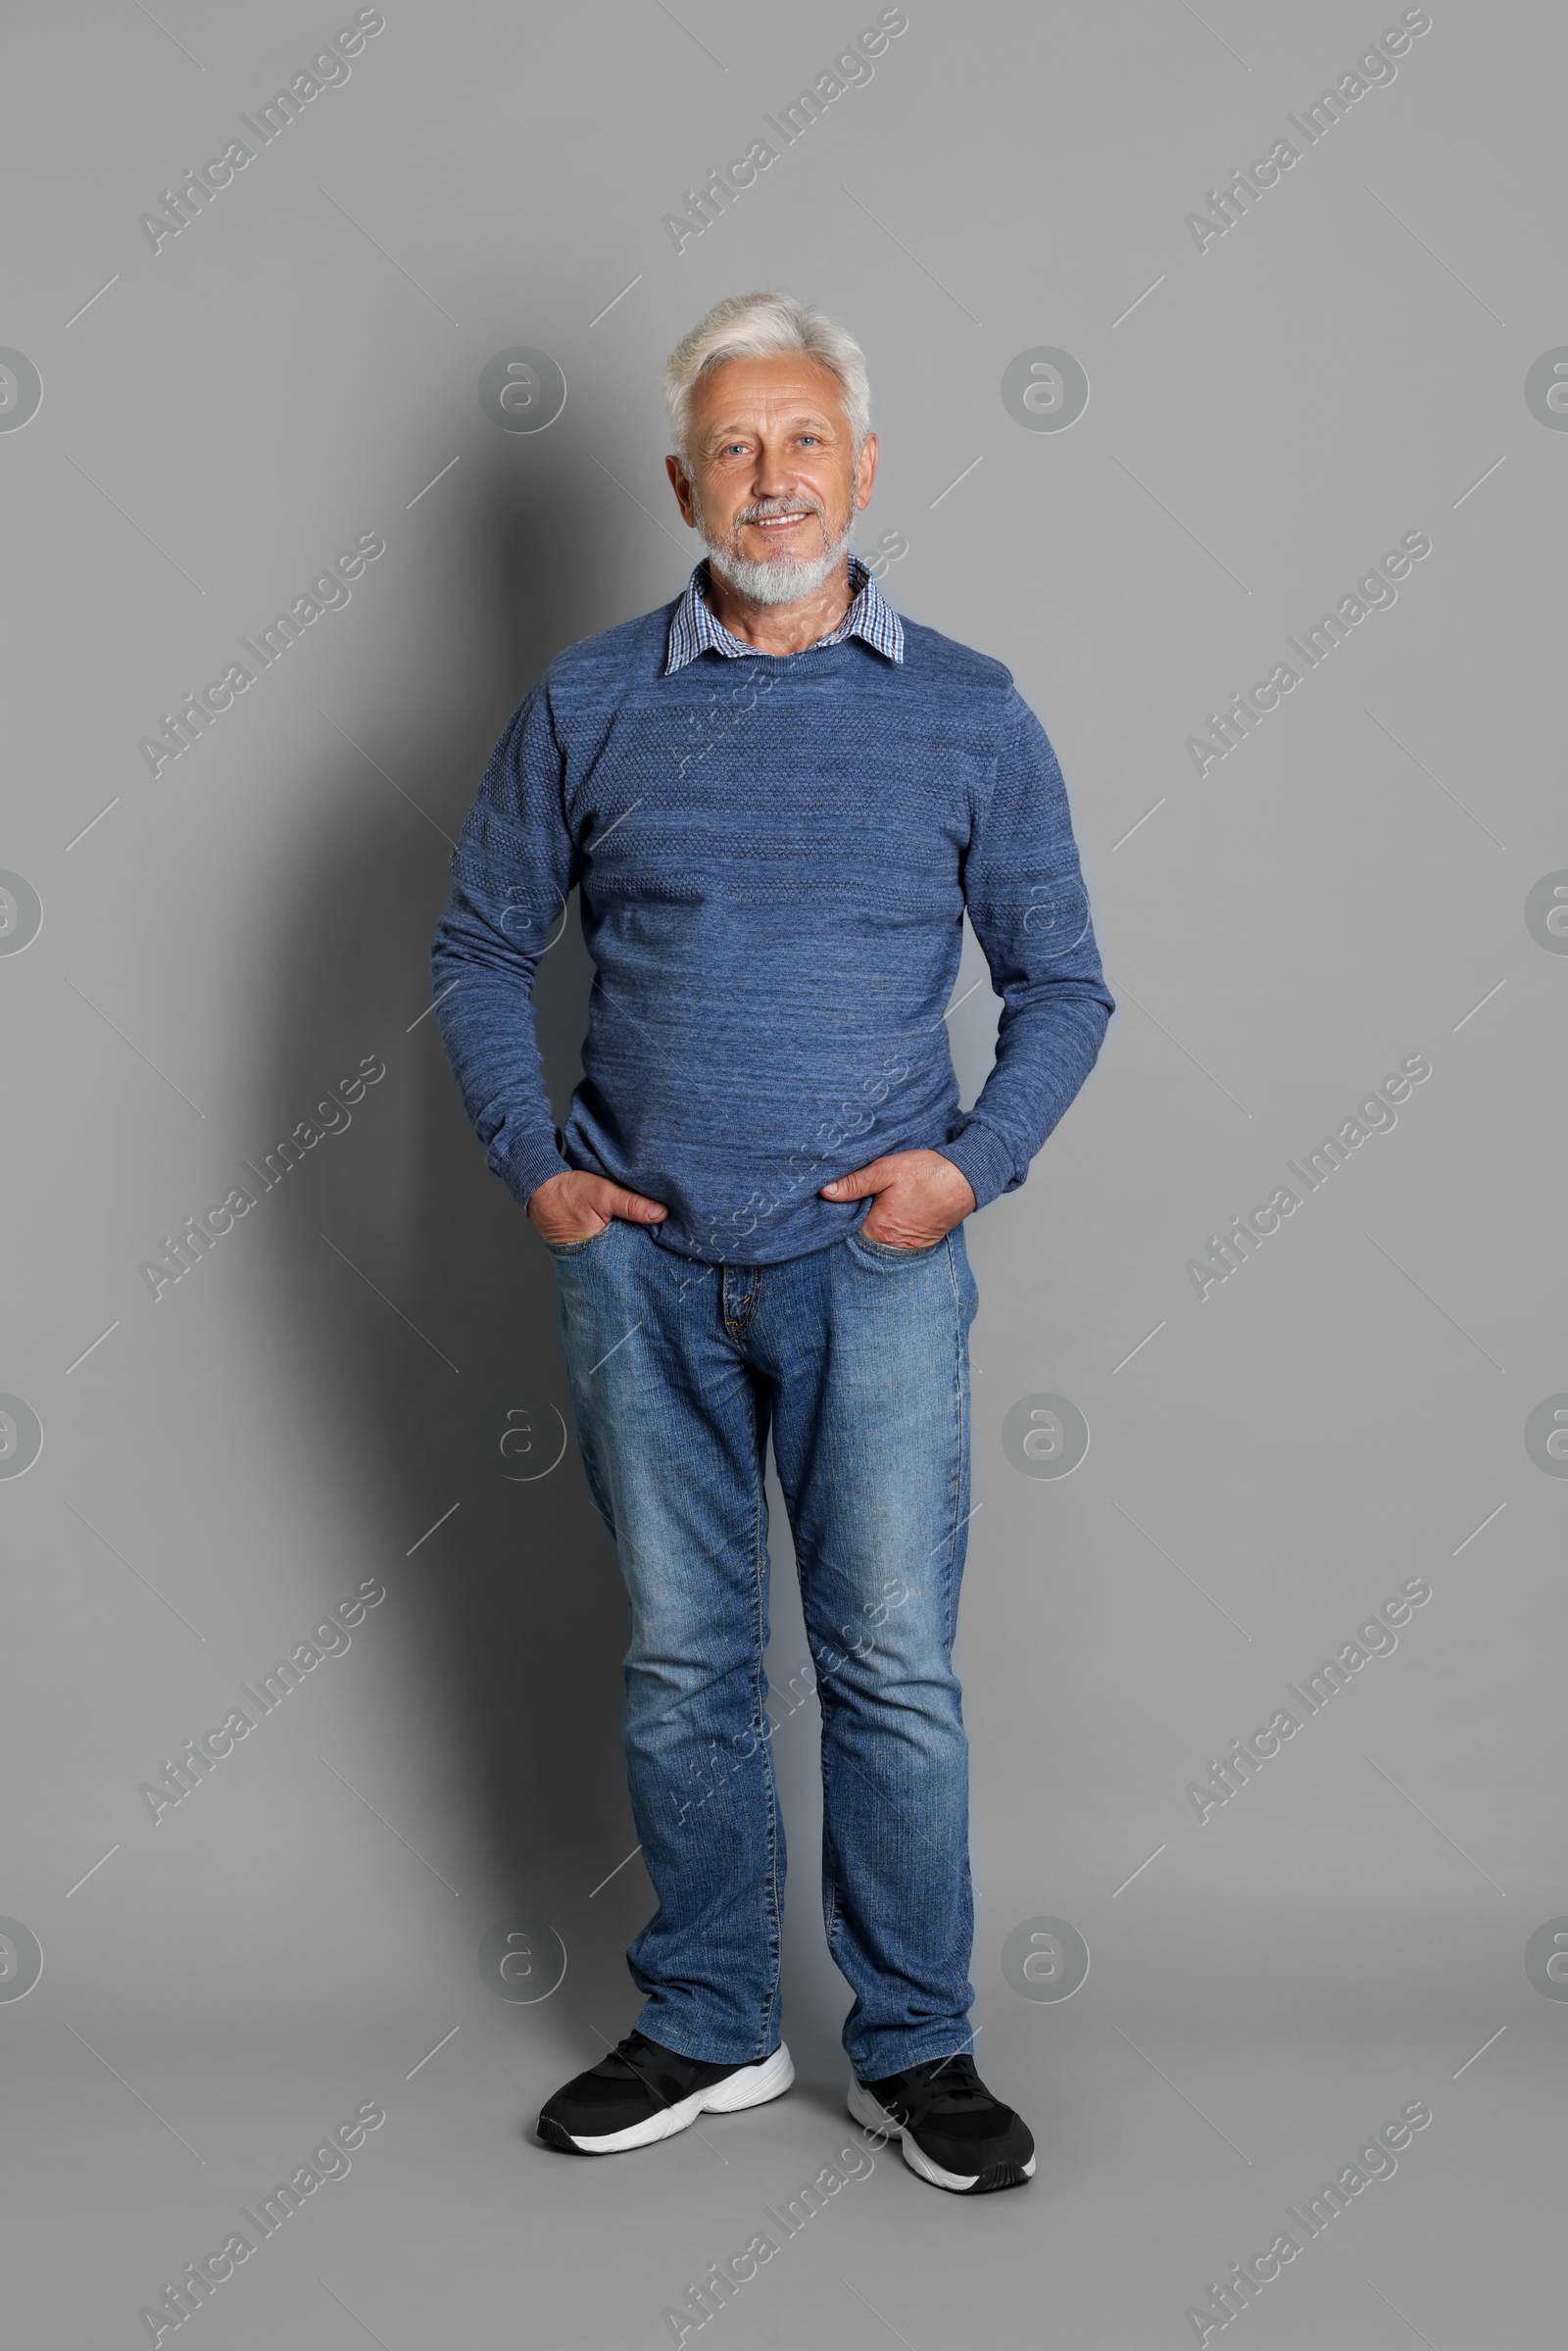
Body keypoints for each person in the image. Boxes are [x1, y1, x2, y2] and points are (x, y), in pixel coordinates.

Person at [431, 290, 1113, 2194]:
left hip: (871, 1271)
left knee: (888, 1662)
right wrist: (533, 1168)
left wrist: (964, 1170)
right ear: (678, 481)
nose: (770, 476)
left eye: (802, 438)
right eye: (732, 445)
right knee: (681, 1662)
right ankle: (712, 2022)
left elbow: (1060, 985)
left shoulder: (966, 709)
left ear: (864, 466)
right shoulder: (588, 699)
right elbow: (481, 946)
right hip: (639, 1265)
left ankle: (912, 2048)